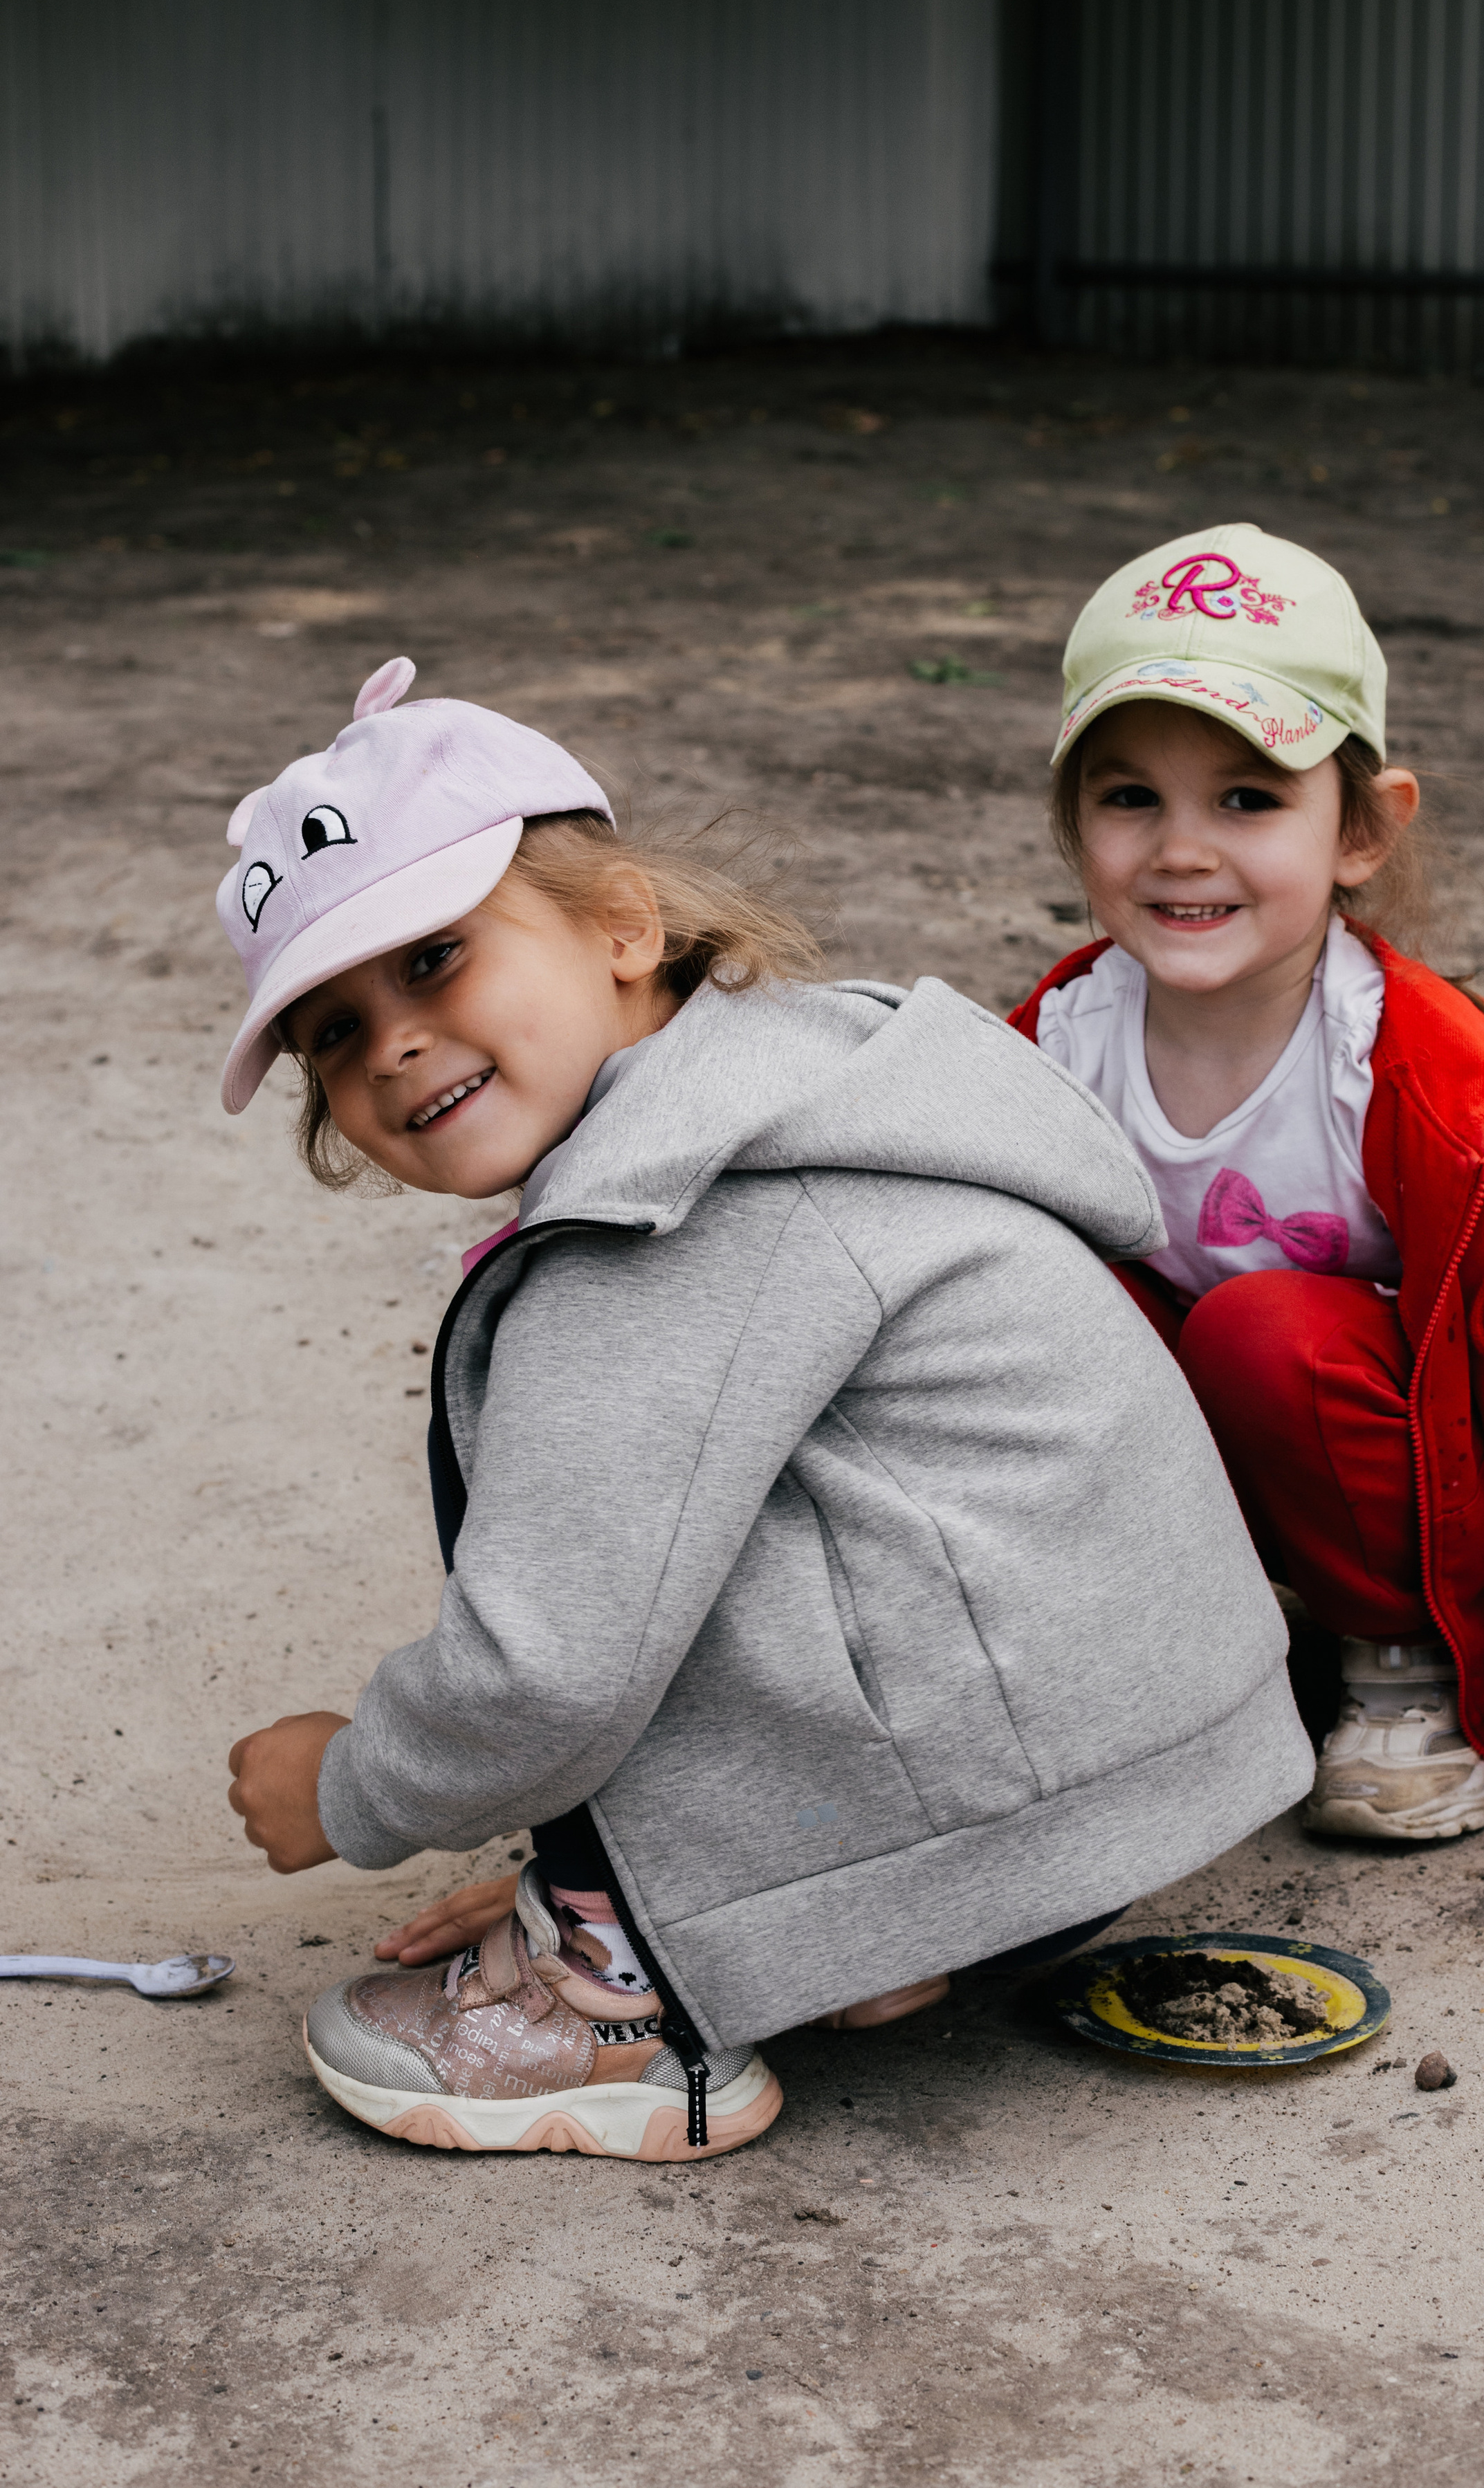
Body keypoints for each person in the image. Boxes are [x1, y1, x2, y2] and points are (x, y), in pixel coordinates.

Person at [219, 655, 1311, 2161]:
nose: (390, 1040)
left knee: (610, 1567)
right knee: (659, 1512)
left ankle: (621, 2005)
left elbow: (553, 1668)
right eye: (329, 1031)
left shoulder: (668, 1230)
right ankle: (768, 1916)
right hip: (1128, 1751)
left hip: (1018, 1800)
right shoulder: (789, 1080)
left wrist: (355, 1783)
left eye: (433, 960)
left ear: (622, 926)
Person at [1009, 525, 1484, 1854]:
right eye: (1128, 798)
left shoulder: (1443, 1091)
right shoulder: (1055, 1042)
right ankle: (1168, 1648)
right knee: (1015, 1286)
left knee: (1261, 1327)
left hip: (1404, 1491)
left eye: (1246, 798)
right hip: (1203, 1483)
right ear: (1073, 823)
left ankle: (1397, 1660)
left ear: (1364, 828)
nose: (1180, 850)